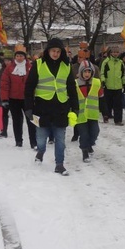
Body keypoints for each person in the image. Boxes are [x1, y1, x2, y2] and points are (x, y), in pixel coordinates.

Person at [24, 38, 79, 175]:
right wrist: (28, 107)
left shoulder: (66, 66)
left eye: (58, 51)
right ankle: (40, 152)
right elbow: (29, 87)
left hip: (61, 108)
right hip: (42, 108)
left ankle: (59, 164)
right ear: (48, 51)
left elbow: (72, 88)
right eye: (53, 51)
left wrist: (75, 106)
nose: (56, 53)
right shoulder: (38, 64)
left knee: (60, 138)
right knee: (41, 139)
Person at [1, 45, 36, 148]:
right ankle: (18, 141)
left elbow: (35, 82)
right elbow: (4, 84)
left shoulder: (31, 68)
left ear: (24, 57)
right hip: (14, 99)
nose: (19, 58)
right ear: (15, 57)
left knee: (31, 120)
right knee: (17, 121)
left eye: (21, 56)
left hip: (28, 99)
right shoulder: (9, 69)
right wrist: (4, 98)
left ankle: (33, 142)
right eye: (18, 56)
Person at [75, 60, 103, 162]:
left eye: (89, 72)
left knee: (95, 132)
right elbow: (72, 99)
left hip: (93, 114)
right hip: (81, 115)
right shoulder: (75, 84)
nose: (87, 74)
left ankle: (90, 144)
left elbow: (101, 97)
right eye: (85, 71)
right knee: (84, 134)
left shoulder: (96, 83)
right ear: (80, 72)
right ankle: (84, 151)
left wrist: (105, 112)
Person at [100, 47, 125, 125]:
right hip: (108, 86)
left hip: (118, 86)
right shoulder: (106, 62)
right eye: (114, 52)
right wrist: (103, 81)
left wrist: (124, 83)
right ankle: (106, 115)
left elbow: (123, 74)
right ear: (111, 53)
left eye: (117, 52)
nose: (115, 54)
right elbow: (102, 73)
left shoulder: (121, 63)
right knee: (108, 103)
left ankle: (118, 120)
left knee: (118, 104)